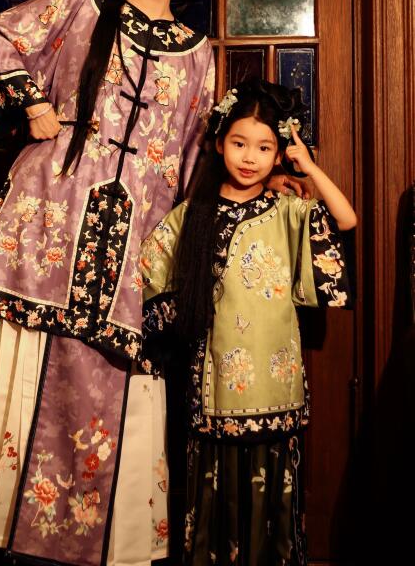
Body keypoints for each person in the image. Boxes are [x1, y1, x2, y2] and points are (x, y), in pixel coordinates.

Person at [0, 0, 224, 566]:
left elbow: (190, 167)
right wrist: (32, 102)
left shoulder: (199, 52)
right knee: (23, 377)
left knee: (112, 389)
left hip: (131, 248)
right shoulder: (79, 6)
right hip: (44, 226)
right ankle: (7, 543)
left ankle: (99, 547)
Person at [140, 79, 356, 566]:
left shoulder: (288, 211)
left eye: (264, 148)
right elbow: (149, 280)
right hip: (212, 388)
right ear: (220, 143)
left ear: (279, 154)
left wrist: (308, 167)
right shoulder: (191, 215)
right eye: (240, 143)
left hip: (275, 388)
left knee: (272, 513)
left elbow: (345, 221)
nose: (250, 158)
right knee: (212, 511)